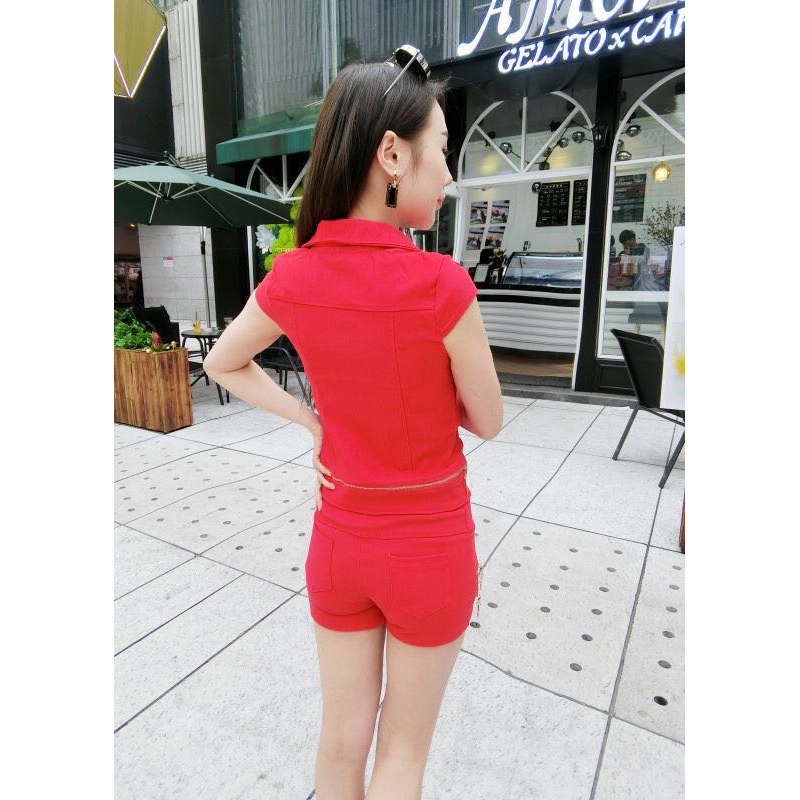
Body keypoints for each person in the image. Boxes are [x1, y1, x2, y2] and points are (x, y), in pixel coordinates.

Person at [202, 46, 503, 800]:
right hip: (430, 545)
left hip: (339, 542)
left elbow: (223, 362)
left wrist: (314, 424)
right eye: (442, 149)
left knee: (341, 746)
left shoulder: (295, 273)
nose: (449, 172)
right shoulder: (442, 285)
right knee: (402, 754)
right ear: (392, 154)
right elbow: (489, 419)